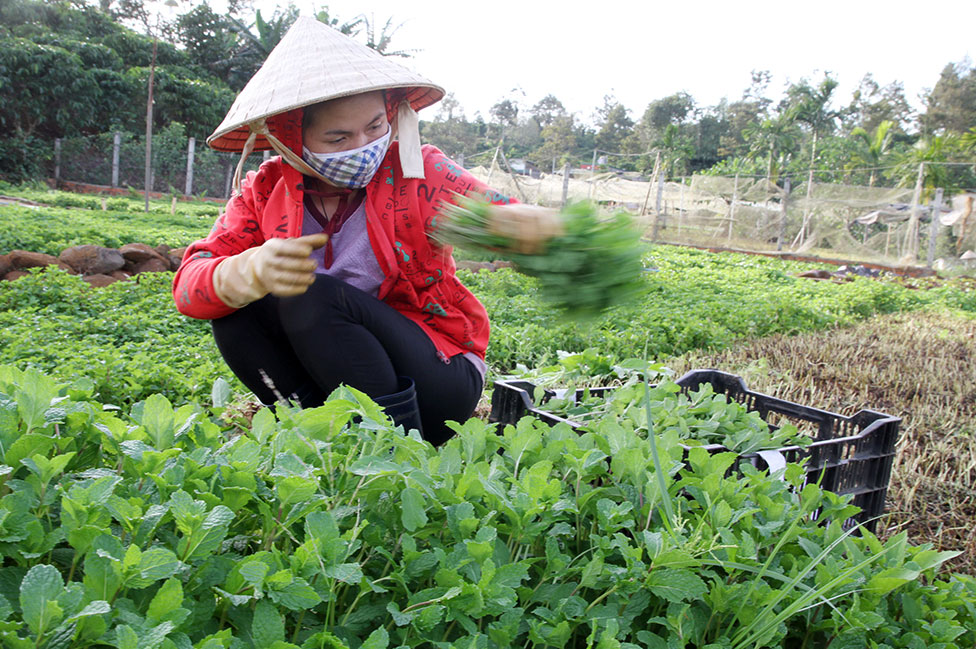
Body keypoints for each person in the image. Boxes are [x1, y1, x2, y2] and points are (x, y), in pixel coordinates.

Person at [172, 17, 557, 445]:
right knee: (235, 311)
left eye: (375, 127)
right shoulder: (265, 190)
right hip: (331, 378)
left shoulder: (419, 172)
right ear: (290, 138)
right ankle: (313, 434)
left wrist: (524, 225)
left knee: (310, 295)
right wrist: (244, 272)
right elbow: (190, 285)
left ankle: (394, 451)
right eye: (338, 138)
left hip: (437, 376)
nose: (362, 146)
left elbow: (494, 211)